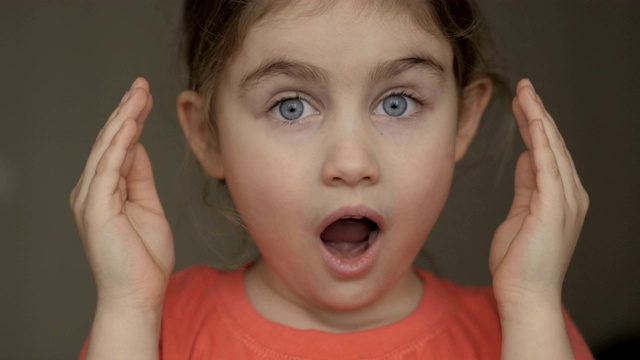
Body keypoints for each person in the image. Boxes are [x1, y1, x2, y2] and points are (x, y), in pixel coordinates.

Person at [71, 0, 592, 358]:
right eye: (291, 106)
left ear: (462, 120)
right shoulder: (152, 329)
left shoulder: (525, 329)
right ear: (209, 136)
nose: (350, 160)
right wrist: (127, 309)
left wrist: (532, 304)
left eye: (397, 102)